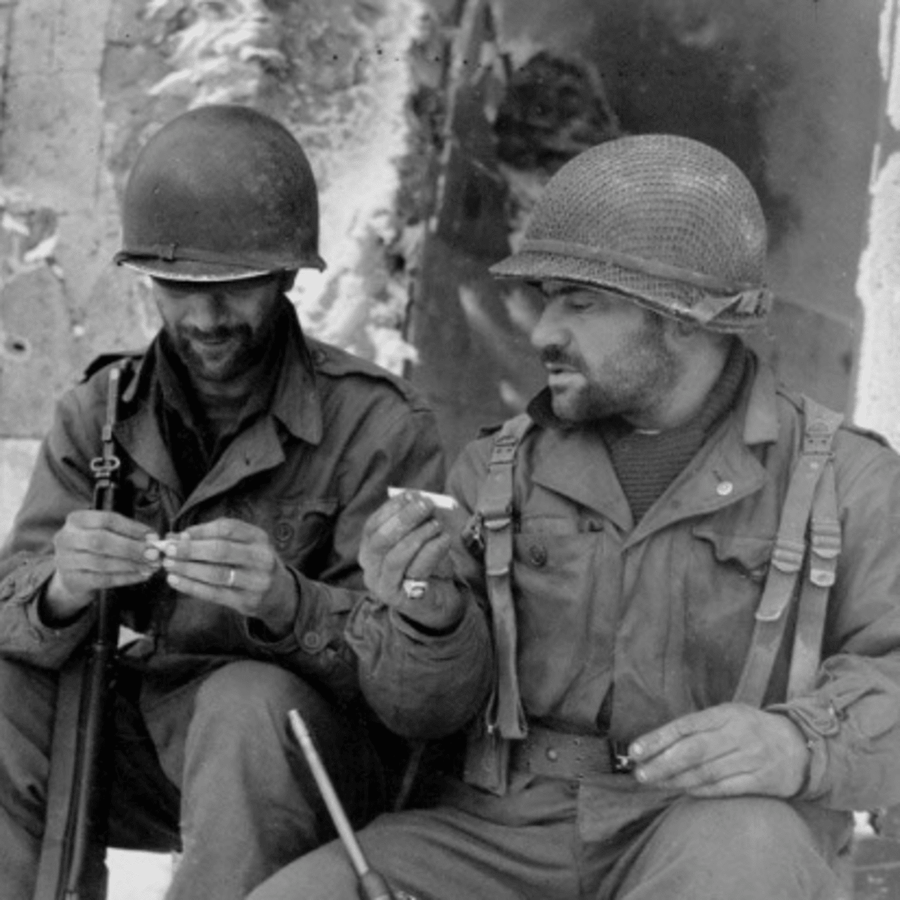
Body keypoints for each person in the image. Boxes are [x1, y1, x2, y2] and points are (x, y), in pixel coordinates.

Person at [247, 134, 900, 900]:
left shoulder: (847, 483)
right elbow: (419, 715)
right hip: (500, 837)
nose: (541, 332)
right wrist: (425, 616)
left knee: (747, 850)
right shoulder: (497, 472)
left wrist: (799, 743)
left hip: (705, 836)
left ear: (684, 316)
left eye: (580, 303)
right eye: (547, 297)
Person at [0, 104, 484, 900]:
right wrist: (61, 589)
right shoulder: (99, 411)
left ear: (289, 274)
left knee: (243, 702)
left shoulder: (376, 427)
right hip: (150, 742)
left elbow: (422, 691)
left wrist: (288, 603)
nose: (204, 318)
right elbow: (16, 600)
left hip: (305, 760)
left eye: (233, 289)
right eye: (177, 287)